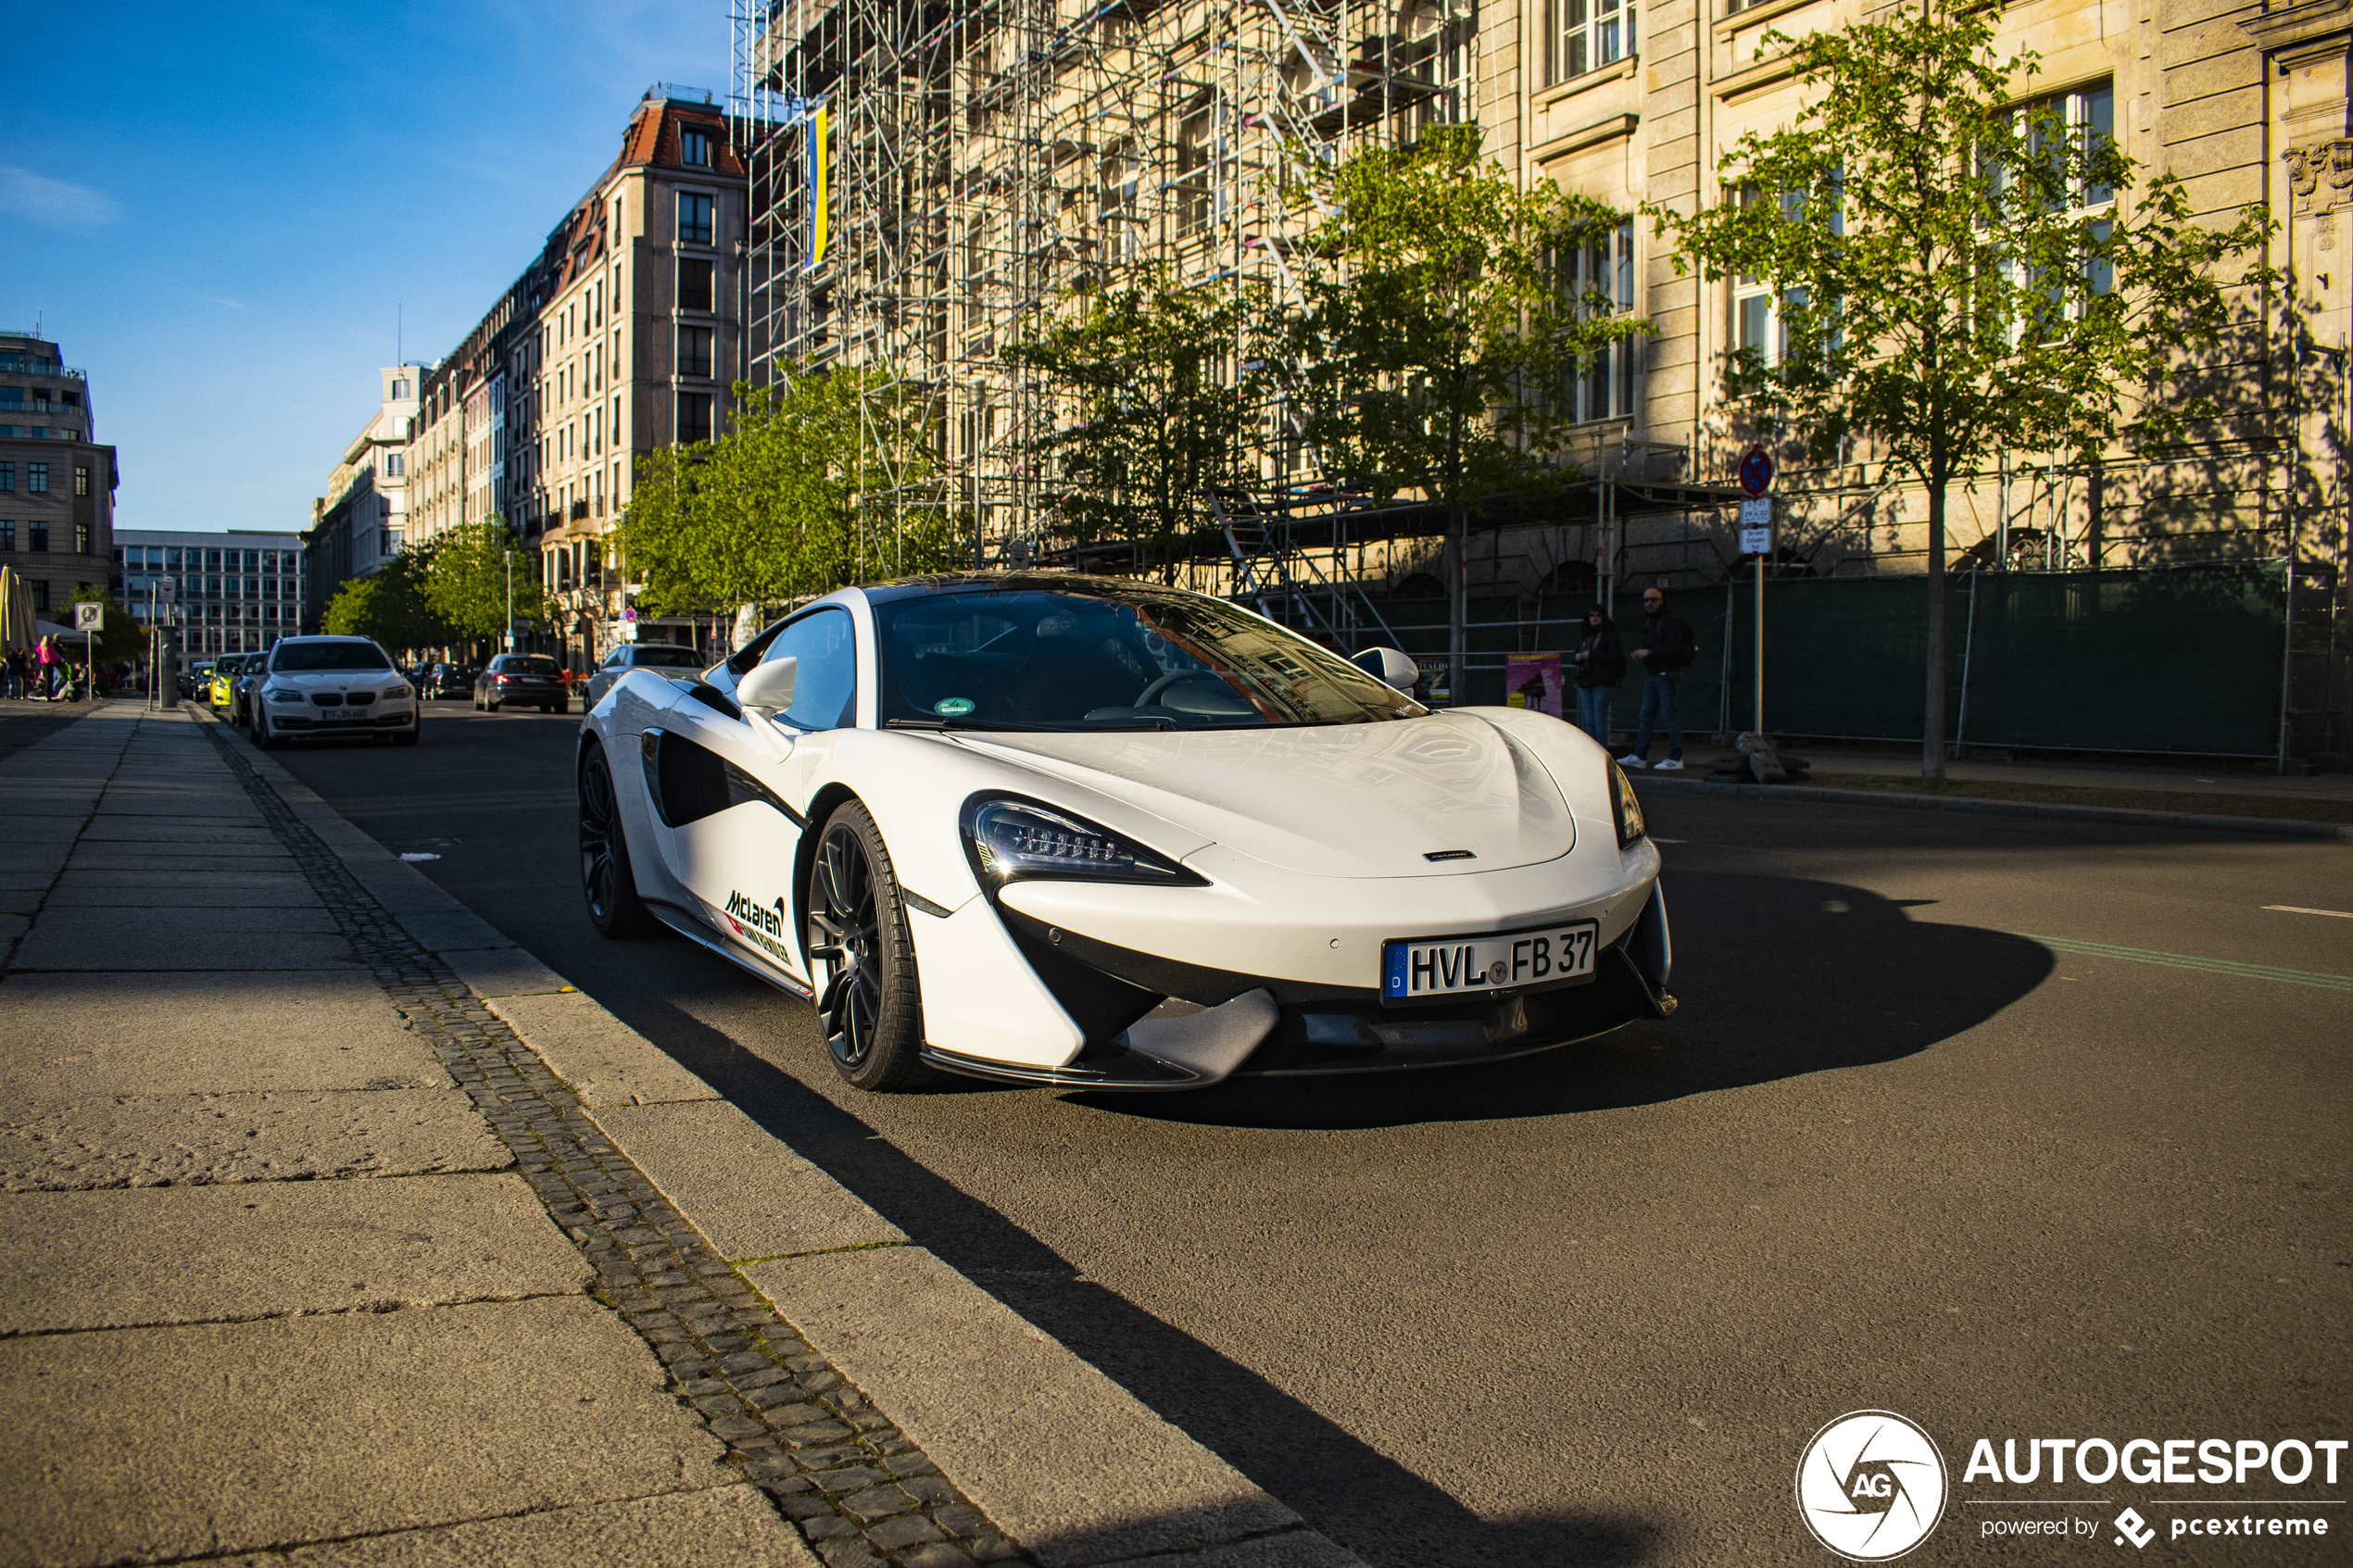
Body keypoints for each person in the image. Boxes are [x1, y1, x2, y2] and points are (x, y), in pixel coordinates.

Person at [1619, 585, 1695, 771]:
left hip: (1666, 674)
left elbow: (1675, 649)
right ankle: (1640, 756)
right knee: (1646, 716)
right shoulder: (1651, 621)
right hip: (1654, 674)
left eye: (1654, 599)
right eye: (1646, 600)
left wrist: (1649, 652)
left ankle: (1675, 758)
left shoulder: (1668, 621)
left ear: (1662, 601)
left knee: (1669, 716)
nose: (1650, 603)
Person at [1569, 606, 1623, 748]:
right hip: (1586, 679)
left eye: (1598, 615)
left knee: (1600, 719)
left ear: (1603, 617)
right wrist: (1577, 657)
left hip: (1603, 680)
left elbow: (1614, 656)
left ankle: (1602, 752)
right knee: (1590, 720)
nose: (1594, 617)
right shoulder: (1585, 634)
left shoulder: (1609, 634)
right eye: (1591, 615)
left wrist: (1591, 655)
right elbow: (1575, 654)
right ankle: (1592, 751)